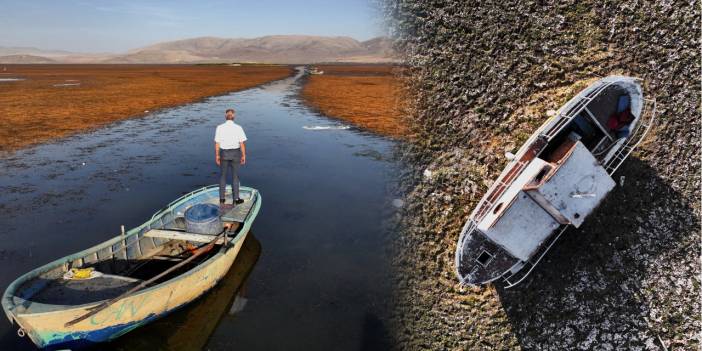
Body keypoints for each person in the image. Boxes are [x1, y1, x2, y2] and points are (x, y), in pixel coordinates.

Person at [214, 108, 247, 206]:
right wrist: (244, 155)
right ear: (233, 116)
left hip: (224, 153)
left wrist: (217, 155)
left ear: (225, 116)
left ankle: (222, 199)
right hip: (236, 154)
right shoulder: (238, 127)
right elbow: (242, 144)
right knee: (235, 177)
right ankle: (236, 199)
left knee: (223, 176)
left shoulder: (219, 127)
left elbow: (217, 143)